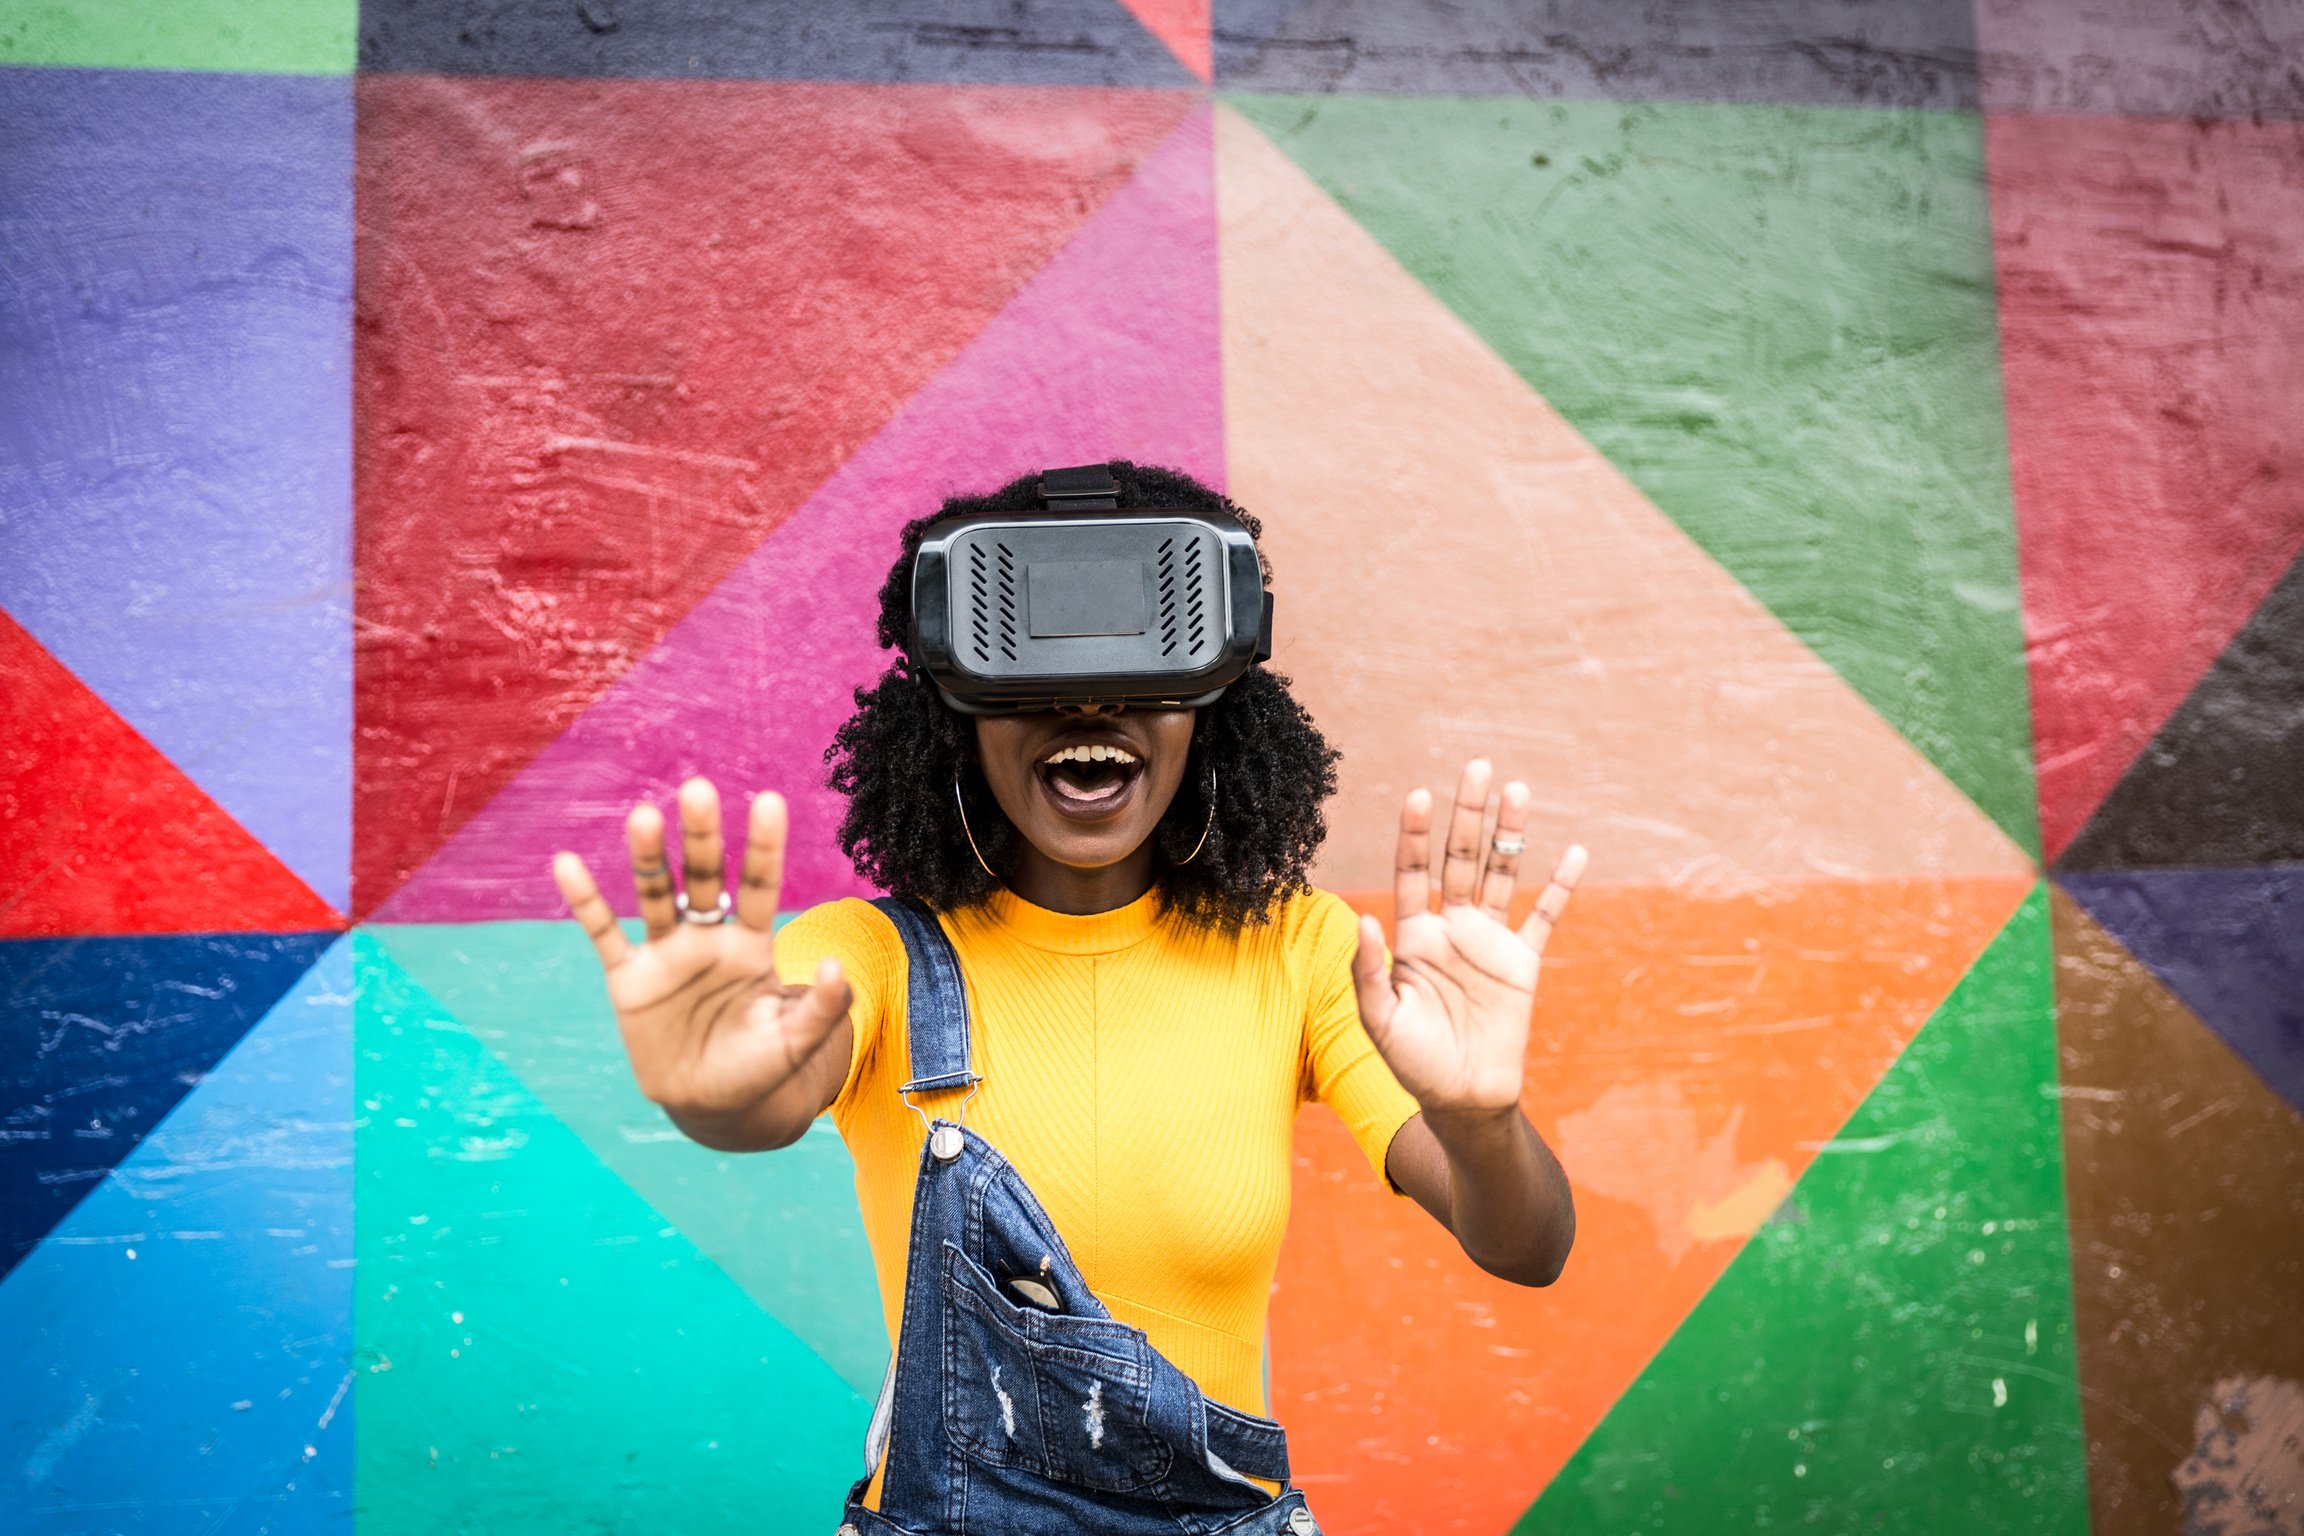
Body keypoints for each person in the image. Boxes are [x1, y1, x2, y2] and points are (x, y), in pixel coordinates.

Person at [550, 461, 1585, 1534]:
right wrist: (712, 1093)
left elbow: (1526, 1245)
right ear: (955, 710)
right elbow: (763, 1091)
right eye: (1030, 667)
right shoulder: (869, 957)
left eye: (1144, 667)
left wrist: (1478, 1120)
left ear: (1212, 709)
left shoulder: (1304, 952)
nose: (1090, 702)